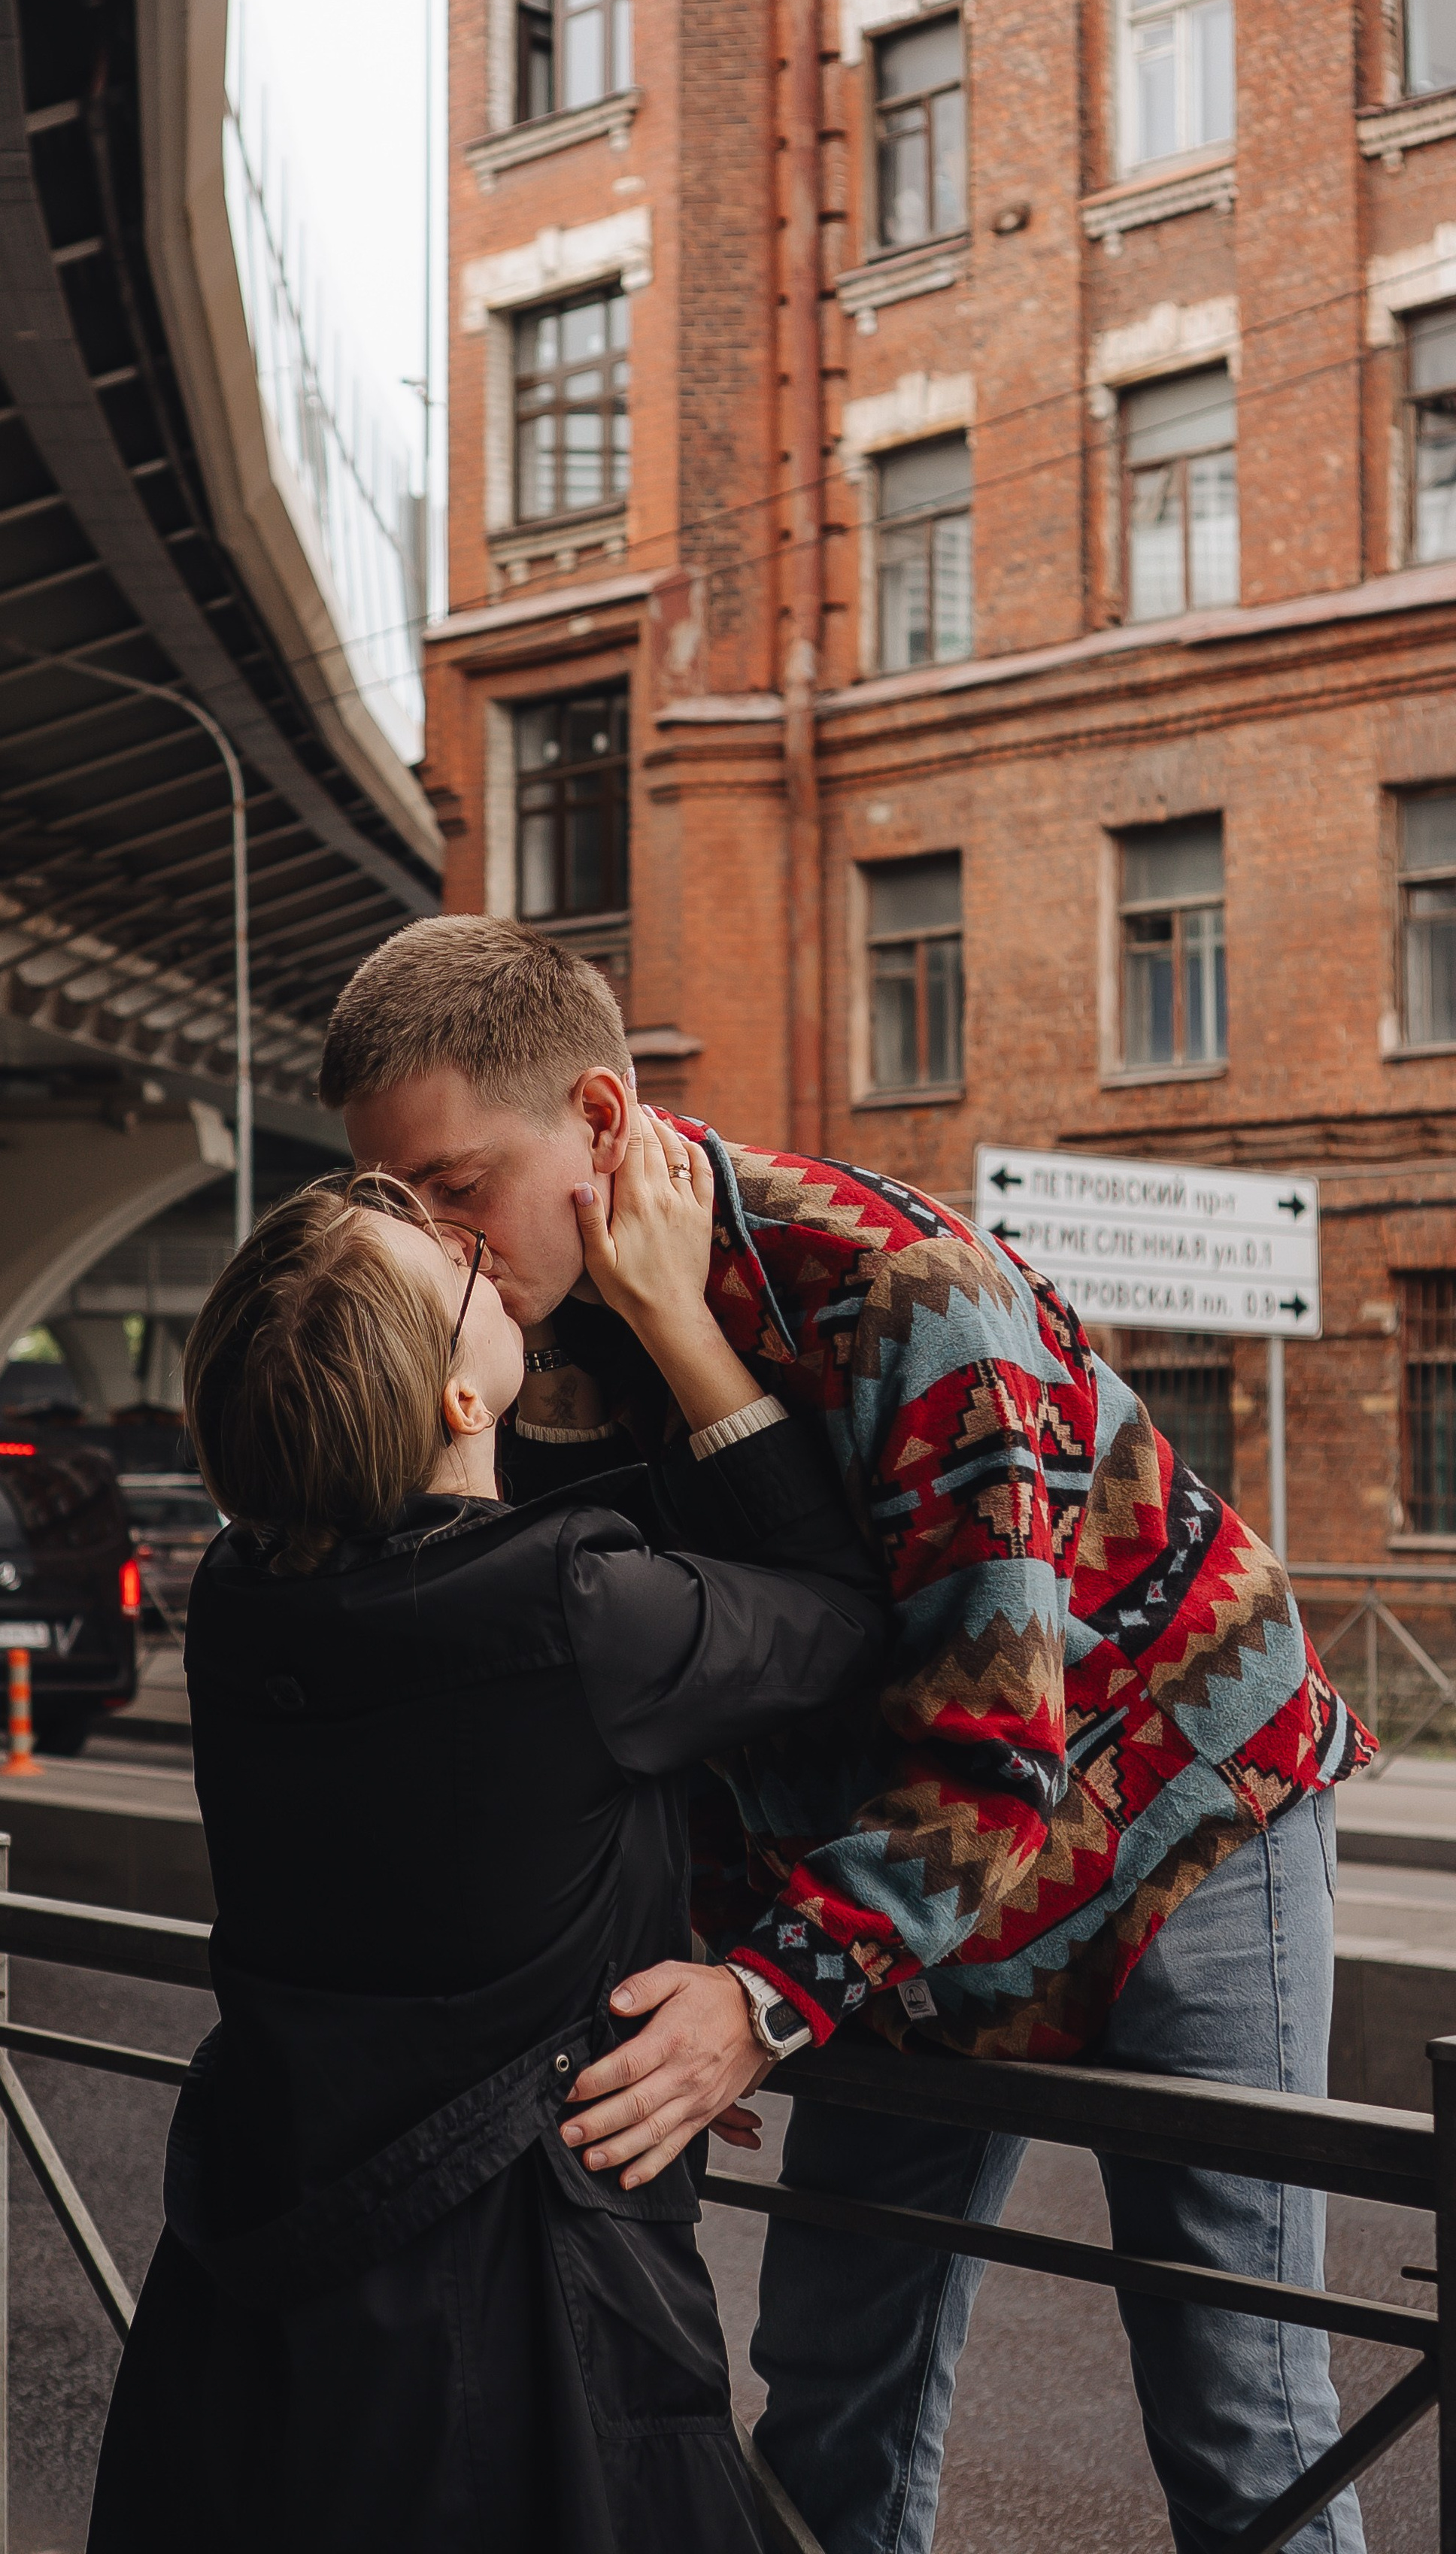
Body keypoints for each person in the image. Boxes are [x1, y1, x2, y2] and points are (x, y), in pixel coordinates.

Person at [320, 915, 1376, 2554]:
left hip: (1179, 1838)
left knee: (1239, 2416)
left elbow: (991, 1748)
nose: (439, 1252)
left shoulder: (896, 1283)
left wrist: (763, 1995)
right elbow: (667, 1696)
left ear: (598, 1122)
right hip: (894, 1875)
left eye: (458, 1190)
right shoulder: (512, 1345)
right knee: (828, 2394)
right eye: (401, 1207)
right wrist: (725, 1950)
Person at [86, 1148, 889, 2554]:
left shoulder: (234, 1604)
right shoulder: (580, 1615)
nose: (473, 1243)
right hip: (535, 2315)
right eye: (452, 1266)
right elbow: (834, 1616)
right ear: (464, 1396)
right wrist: (682, 1334)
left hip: (266, 2297)